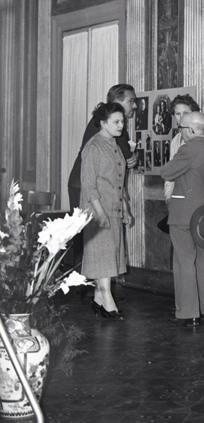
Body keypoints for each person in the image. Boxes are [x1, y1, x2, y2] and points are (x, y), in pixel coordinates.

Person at [160, 112, 204, 327]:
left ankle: (188, 313)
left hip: (183, 215)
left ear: (190, 130)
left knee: (184, 262)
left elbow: (166, 173)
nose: (180, 132)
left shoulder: (187, 150)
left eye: (181, 128)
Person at [80, 102, 133, 321]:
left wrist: (125, 208)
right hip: (98, 208)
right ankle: (107, 300)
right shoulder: (93, 147)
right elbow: (88, 184)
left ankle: (99, 299)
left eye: (122, 121)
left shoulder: (114, 144)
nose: (121, 125)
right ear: (103, 123)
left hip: (113, 206)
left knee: (109, 254)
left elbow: (120, 180)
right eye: (116, 122)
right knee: (102, 255)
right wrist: (100, 213)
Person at [68, 84, 138, 212]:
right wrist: (130, 156)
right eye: (131, 101)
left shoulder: (109, 121)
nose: (135, 106)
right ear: (117, 101)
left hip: (90, 186)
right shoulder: (107, 122)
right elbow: (127, 157)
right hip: (87, 187)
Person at [164, 95, 204, 202]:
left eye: (185, 113)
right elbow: (170, 173)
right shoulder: (175, 141)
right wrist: (168, 197)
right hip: (179, 199)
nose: (181, 117)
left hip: (200, 198)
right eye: (177, 114)